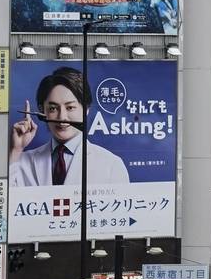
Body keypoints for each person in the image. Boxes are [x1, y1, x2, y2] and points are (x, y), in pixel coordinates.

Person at [8, 70, 137, 190]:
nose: (62, 117)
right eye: (53, 108)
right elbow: (2, 202)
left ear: (86, 109)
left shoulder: (111, 165)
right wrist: (16, 150)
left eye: (70, 108)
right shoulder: (22, 160)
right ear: (42, 111)